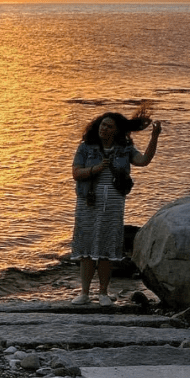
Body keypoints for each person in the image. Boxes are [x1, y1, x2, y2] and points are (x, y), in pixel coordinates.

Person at [71, 103, 162, 305]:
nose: (104, 129)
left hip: (113, 203)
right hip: (88, 203)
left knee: (106, 249)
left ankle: (103, 293)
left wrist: (154, 137)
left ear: (117, 130)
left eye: (109, 126)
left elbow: (144, 160)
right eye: (103, 125)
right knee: (86, 248)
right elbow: (76, 173)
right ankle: (84, 293)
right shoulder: (86, 147)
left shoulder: (124, 149)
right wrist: (95, 169)